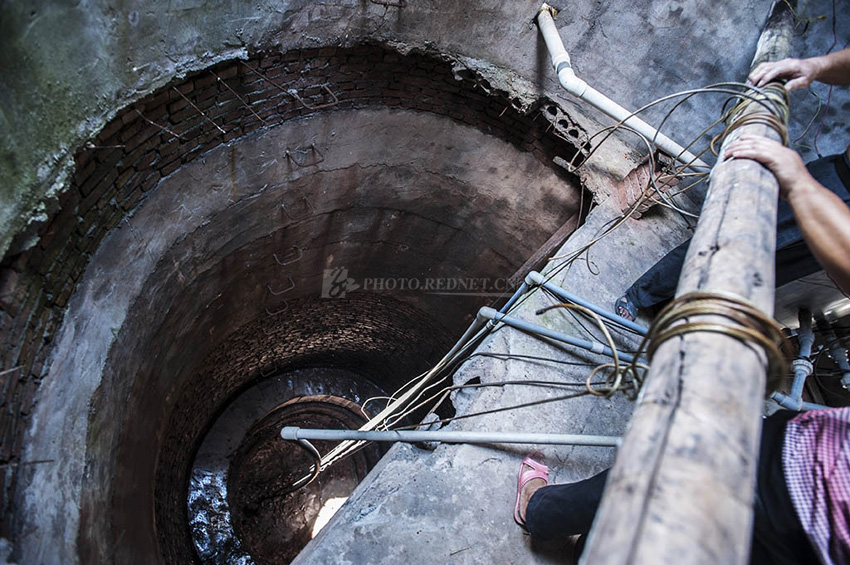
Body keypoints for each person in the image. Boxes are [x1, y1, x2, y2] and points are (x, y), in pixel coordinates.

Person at [514, 52, 850, 564]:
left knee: (660, 467)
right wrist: (822, 67)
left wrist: (800, 183)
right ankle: (549, 514)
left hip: (805, 497)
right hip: (812, 488)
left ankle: (541, 513)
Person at [616, 48, 850, 321]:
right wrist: (817, 65)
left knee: (766, 270)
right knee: (729, 233)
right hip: (839, 179)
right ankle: (641, 294)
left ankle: (674, 308)